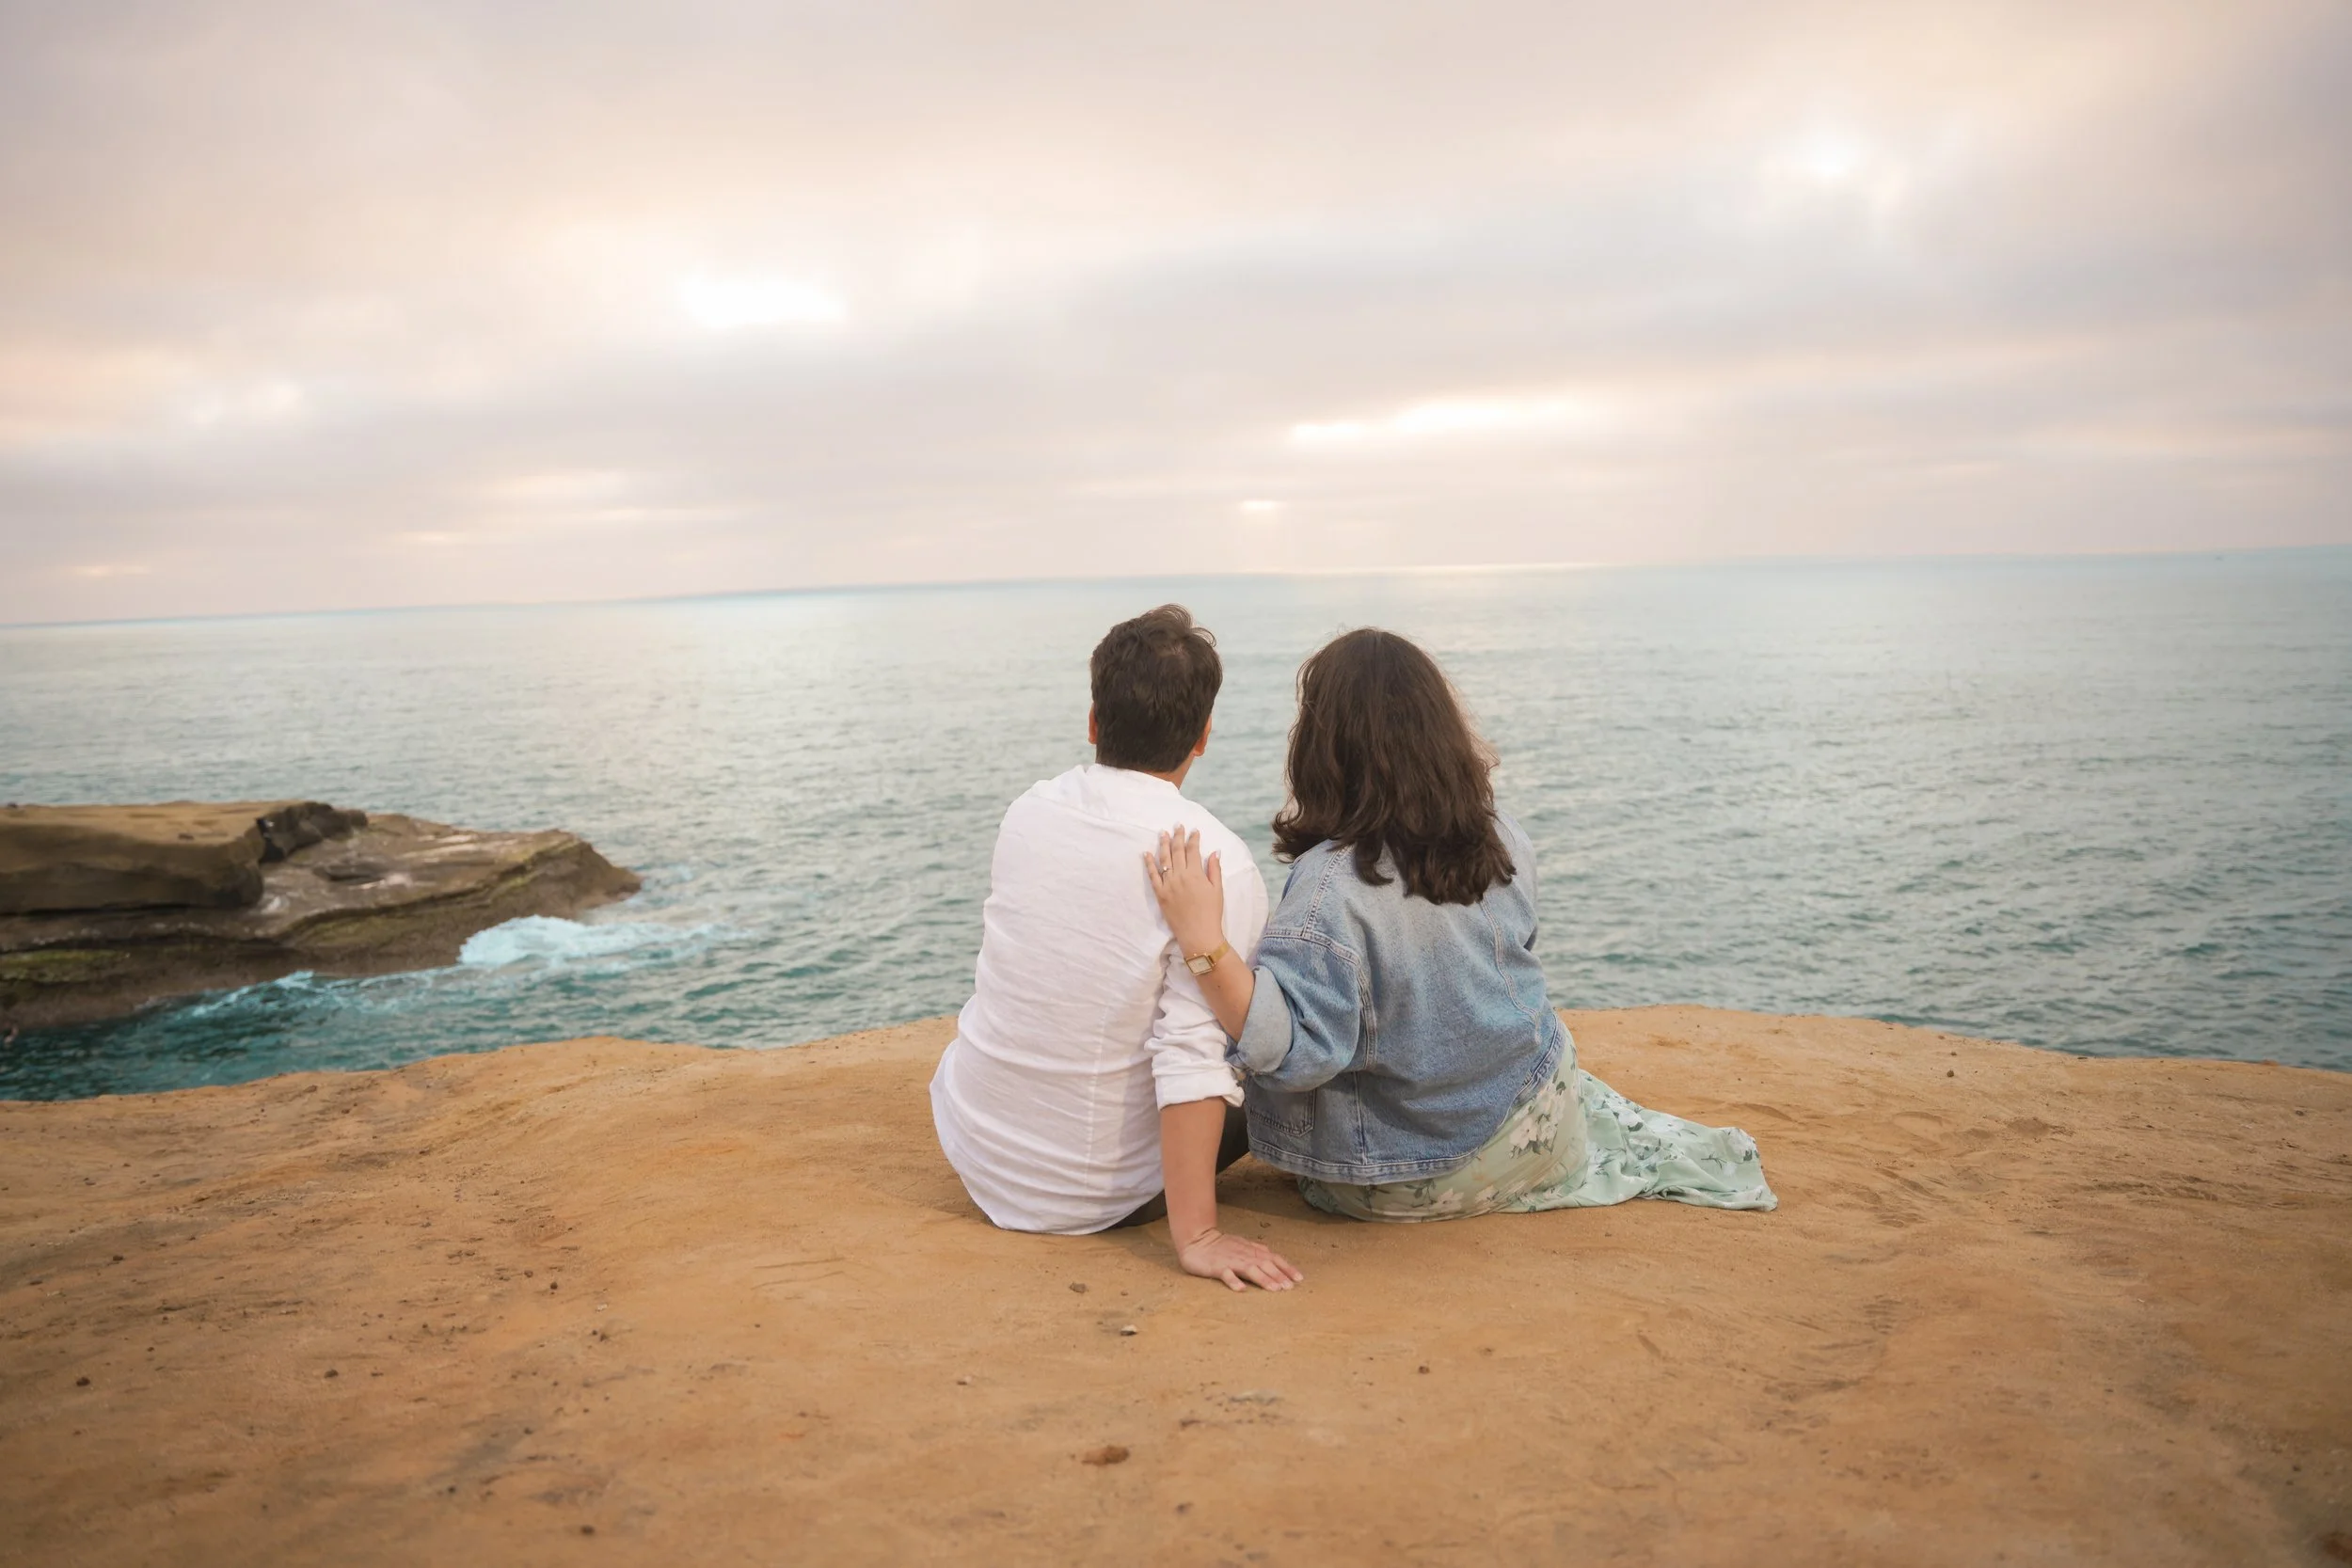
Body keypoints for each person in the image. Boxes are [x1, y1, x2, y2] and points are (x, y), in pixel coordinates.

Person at [1146, 626, 1776, 1223]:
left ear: (1322, 745)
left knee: (1223, 1060)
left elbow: (1292, 1053)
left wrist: (1205, 942)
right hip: (1540, 1122)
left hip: (1404, 1177)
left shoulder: (1329, 887)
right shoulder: (1502, 837)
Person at [930, 605, 1304, 1291]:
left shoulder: (1029, 810)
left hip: (975, 1147)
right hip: (1089, 1196)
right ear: (1204, 736)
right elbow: (1192, 1052)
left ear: (1094, 721)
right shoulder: (1217, 860)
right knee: (1273, 1047)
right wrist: (1199, 1236)